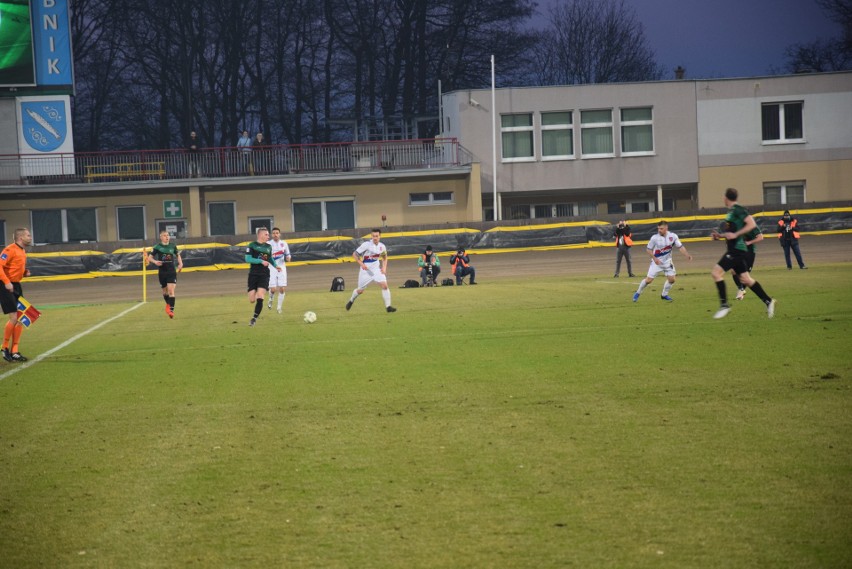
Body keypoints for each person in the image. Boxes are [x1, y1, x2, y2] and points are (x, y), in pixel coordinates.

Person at [710, 188, 776, 319]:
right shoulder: (731, 212)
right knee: (746, 279)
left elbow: (751, 224)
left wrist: (736, 234)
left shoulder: (739, 209)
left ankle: (724, 305)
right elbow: (731, 233)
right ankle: (768, 301)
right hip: (735, 249)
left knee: (716, 273)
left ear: (726, 197)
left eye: (723, 196)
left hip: (736, 250)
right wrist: (720, 235)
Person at [632, 220, 692, 302]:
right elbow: (648, 250)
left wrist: (687, 255)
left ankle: (664, 295)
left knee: (672, 280)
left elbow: (680, 247)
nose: (659, 230)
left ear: (666, 228)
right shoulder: (654, 238)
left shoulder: (673, 236)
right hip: (656, 263)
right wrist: (655, 259)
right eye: (658, 229)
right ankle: (638, 293)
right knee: (648, 280)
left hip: (668, 262)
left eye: (661, 228)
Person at [0, 228, 33, 362]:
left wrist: (24, 272)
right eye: (28, 235)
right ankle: (4, 348)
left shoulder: (22, 250)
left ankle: (15, 351)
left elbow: (15, 267)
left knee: (21, 317)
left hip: (16, 285)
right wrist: (7, 282)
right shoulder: (9, 249)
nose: (30, 237)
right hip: (5, 285)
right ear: (20, 237)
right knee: (14, 317)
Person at [345, 228, 396, 313]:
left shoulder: (382, 246)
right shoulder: (366, 245)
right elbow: (354, 254)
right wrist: (362, 264)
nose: (375, 238)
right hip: (366, 271)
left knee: (385, 286)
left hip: (376, 269)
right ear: (371, 236)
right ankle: (351, 300)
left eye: (376, 236)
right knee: (360, 291)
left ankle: (388, 307)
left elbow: (384, 257)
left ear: (380, 236)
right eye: (373, 236)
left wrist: (384, 268)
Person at [245, 227, 281, 326]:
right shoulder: (252, 245)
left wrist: (276, 265)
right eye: (266, 234)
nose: (268, 236)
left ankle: (254, 319)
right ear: (260, 235)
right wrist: (261, 261)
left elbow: (270, 258)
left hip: (264, 274)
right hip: (253, 274)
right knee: (252, 300)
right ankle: (256, 294)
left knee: (260, 296)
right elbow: (247, 259)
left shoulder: (268, 247)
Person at [146, 230, 183, 318]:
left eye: (168, 235)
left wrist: (180, 263)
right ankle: (168, 304)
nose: (167, 237)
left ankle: (171, 311)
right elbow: (149, 258)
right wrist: (155, 262)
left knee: (171, 291)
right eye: (165, 235)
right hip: (162, 272)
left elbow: (178, 255)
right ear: (161, 237)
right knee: (164, 292)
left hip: (171, 271)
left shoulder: (173, 246)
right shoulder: (157, 247)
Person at [731, 224, 763, 301]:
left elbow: (760, 237)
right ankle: (741, 289)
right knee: (733, 270)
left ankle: (741, 291)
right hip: (739, 251)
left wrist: (749, 242)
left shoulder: (752, 226)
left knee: (745, 276)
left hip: (750, 252)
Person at [267, 227, 292, 314]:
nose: (275, 234)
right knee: (273, 289)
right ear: (271, 234)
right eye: (274, 233)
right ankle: (270, 299)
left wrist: (288, 258)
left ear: (279, 234)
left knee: (282, 289)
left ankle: (279, 307)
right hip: (272, 268)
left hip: (282, 268)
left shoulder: (284, 244)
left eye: (277, 233)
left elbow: (288, 255)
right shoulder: (268, 244)